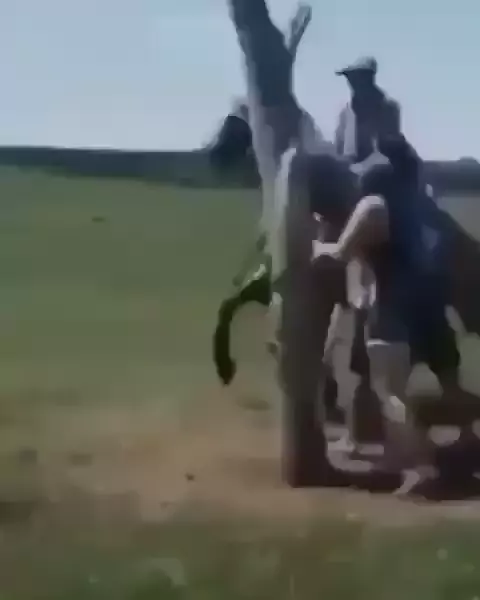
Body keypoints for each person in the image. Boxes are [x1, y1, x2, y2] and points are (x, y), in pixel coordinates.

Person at [334, 56, 401, 164]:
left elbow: (389, 152)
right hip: (348, 170)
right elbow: (339, 149)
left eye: (357, 76)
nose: (351, 81)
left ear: (370, 77)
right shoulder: (345, 112)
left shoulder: (388, 108)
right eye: (349, 77)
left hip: (379, 171)